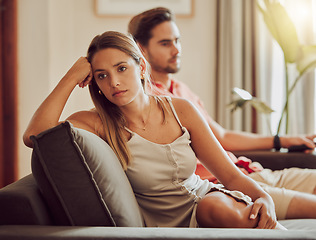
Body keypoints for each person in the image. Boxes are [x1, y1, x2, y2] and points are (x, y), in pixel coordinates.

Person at [23, 31, 285, 229]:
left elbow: (229, 175)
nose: (113, 82)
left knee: (218, 208)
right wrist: (71, 76)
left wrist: (264, 197)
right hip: (162, 224)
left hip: (208, 202)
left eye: (121, 68)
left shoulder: (180, 109)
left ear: (141, 68)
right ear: (94, 82)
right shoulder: (96, 123)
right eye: (101, 75)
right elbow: (34, 135)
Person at [128, 7, 316, 221]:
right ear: (141, 49)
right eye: (165, 43)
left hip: (250, 173)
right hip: (225, 186)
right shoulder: (146, 102)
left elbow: (222, 136)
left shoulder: (181, 90)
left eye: (177, 40)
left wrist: (281, 140)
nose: (176, 49)